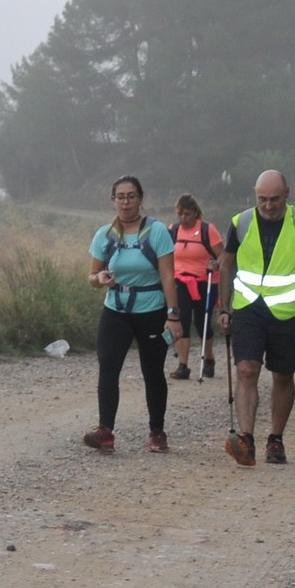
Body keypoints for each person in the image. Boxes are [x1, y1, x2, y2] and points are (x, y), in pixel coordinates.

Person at [218, 170, 295, 466]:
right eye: (262, 199)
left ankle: (275, 438)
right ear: (255, 194)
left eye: (275, 199)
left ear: (287, 192)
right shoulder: (241, 222)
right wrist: (224, 308)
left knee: (283, 375)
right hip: (248, 306)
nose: (268, 205)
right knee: (246, 369)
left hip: (289, 312)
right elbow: (227, 265)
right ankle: (246, 439)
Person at [82, 176, 179, 452]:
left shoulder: (157, 231)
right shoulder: (105, 235)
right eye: (120, 197)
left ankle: (157, 431)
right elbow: (92, 276)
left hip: (152, 310)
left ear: (140, 199)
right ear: (113, 200)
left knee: (153, 371)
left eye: (131, 196)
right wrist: (99, 278)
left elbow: (168, 276)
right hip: (116, 310)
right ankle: (105, 431)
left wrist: (173, 315)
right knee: (108, 366)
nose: (125, 202)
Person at [166, 193, 222, 381]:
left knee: (201, 322)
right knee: (182, 321)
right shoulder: (173, 230)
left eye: (187, 214)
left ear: (195, 213)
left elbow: (222, 255)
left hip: (205, 282)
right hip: (180, 282)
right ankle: (183, 366)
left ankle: (209, 358)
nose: (183, 218)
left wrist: (215, 264)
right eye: (180, 214)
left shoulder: (207, 230)